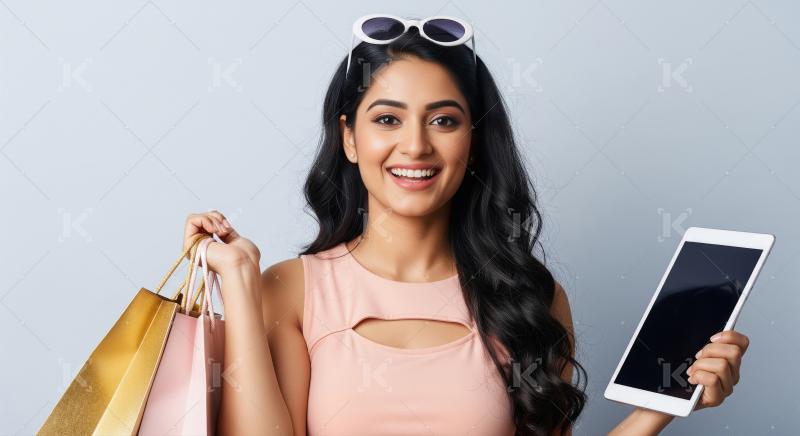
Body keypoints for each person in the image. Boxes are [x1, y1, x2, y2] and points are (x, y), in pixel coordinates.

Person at [181, 15, 749, 436]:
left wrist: (662, 404)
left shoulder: (530, 299)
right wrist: (238, 276)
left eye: (444, 120)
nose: (416, 145)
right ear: (350, 137)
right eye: (387, 119)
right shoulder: (290, 289)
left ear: (473, 142)